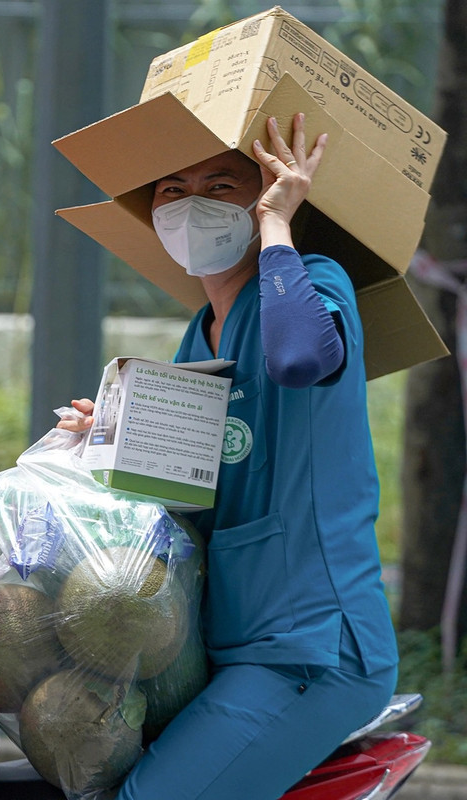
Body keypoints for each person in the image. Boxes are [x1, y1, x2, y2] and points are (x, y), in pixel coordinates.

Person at [59, 114, 399, 800]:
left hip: (311, 647)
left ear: (265, 193)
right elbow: (190, 494)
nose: (191, 206)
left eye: (221, 185)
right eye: (172, 190)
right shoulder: (199, 334)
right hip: (237, 643)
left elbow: (299, 357)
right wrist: (116, 437)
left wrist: (278, 225)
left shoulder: (311, 282)